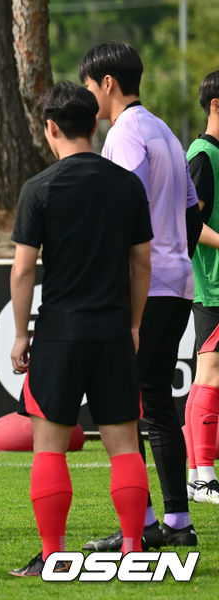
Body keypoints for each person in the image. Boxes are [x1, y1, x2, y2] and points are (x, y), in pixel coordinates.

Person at [8, 81, 154, 576]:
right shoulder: (127, 185)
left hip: (59, 333)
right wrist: (133, 324)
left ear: (50, 127)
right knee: (124, 446)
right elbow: (141, 264)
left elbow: (24, 269)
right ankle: (133, 549)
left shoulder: (39, 189)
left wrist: (20, 335)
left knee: (49, 446)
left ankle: (52, 555)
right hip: (113, 331)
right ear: (95, 123)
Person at [79, 42, 200, 550]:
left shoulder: (125, 133)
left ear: (106, 83)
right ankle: (175, 522)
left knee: (122, 406)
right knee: (156, 401)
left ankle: (145, 521)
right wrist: (174, 257)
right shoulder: (165, 129)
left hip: (144, 286)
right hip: (178, 281)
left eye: (89, 87)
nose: (89, 99)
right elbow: (194, 210)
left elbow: (120, 209)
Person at [185, 69, 219, 504]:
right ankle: (203, 478)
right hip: (212, 284)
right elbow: (190, 219)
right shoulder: (203, 154)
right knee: (211, 375)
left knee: (206, 375)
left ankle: (199, 473)